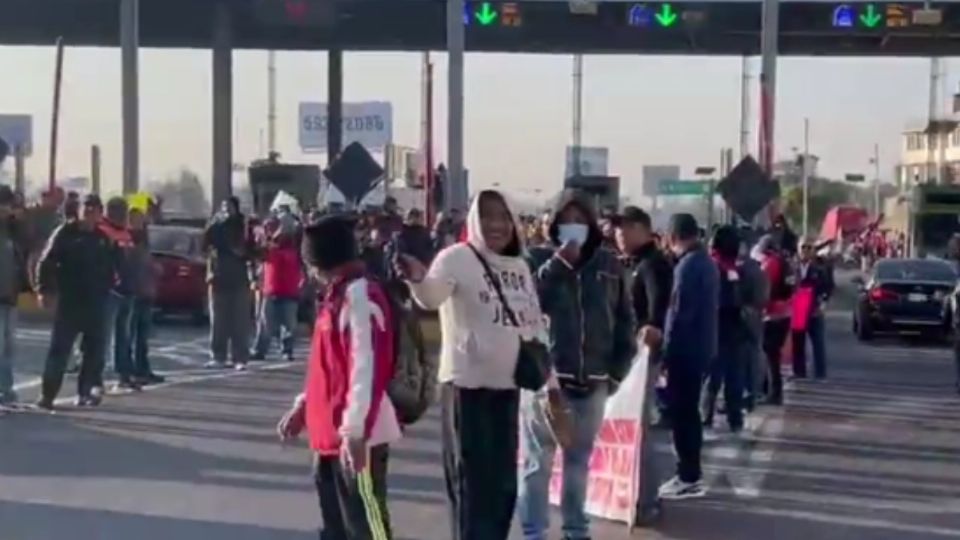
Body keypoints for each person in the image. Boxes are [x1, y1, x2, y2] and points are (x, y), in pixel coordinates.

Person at [395, 190, 545, 540]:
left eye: (503, 216)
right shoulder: (456, 258)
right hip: (468, 389)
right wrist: (417, 278)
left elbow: (533, 324)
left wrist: (548, 384)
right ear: (475, 220)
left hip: (508, 388)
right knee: (471, 489)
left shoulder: (520, 267)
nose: (496, 224)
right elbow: (431, 296)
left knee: (504, 487)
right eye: (488, 216)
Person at [520, 190, 636, 540]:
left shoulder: (609, 265)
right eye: (566, 220)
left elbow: (624, 321)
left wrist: (616, 374)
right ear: (555, 225)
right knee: (538, 464)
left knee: (578, 464)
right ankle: (534, 532)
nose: (574, 227)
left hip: (594, 382)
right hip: (548, 382)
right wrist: (559, 264)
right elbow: (526, 307)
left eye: (580, 220)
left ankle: (575, 530)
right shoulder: (538, 260)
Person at [277, 215, 400, 540]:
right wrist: (303, 406)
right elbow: (326, 366)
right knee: (337, 527)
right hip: (329, 434)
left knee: (367, 526)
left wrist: (355, 431)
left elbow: (366, 368)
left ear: (319, 264)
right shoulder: (334, 298)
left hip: (359, 437)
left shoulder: (361, 297)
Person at [612, 205, 673, 524]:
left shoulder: (653, 265)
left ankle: (648, 499)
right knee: (626, 429)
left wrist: (650, 333)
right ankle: (632, 493)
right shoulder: (633, 263)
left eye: (624, 228)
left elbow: (657, 313)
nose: (618, 235)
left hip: (643, 360)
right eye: (616, 229)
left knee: (640, 431)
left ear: (642, 229)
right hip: (628, 359)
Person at [35, 195, 118, 409]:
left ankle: (85, 392)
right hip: (69, 302)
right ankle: (48, 395)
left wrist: (114, 285)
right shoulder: (65, 233)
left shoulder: (102, 238)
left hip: (96, 302)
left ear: (100, 214)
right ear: (79, 210)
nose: (90, 213)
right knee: (59, 351)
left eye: (95, 209)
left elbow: (114, 267)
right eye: (86, 208)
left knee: (93, 352)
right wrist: (44, 290)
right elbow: (46, 263)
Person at [656, 213, 718, 500]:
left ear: (671, 237)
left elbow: (678, 314)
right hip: (702, 349)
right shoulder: (706, 263)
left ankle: (688, 475)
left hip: (685, 351)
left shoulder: (687, 268)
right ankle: (690, 473)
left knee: (683, 416)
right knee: (689, 413)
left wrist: (666, 355)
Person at [701, 226, 748, 436]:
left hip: (721, 329)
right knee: (726, 378)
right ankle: (730, 418)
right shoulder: (727, 268)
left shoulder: (717, 266)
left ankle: (709, 416)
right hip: (727, 329)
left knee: (717, 378)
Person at [203, 197, 254, 370]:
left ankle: (240, 357)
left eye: (229, 207)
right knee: (218, 322)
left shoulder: (243, 226)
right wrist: (213, 222)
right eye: (223, 207)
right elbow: (205, 243)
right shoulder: (216, 226)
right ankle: (218, 356)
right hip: (219, 278)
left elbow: (251, 249)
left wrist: (243, 250)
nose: (226, 210)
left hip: (239, 279)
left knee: (239, 322)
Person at [99, 197, 140, 391]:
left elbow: (131, 261)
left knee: (123, 335)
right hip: (110, 291)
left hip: (127, 290)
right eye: (122, 212)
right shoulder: (103, 232)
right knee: (102, 336)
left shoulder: (125, 233)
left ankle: (124, 373)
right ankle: (95, 376)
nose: (125, 216)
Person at [252, 211, 303, 362]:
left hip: (289, 290)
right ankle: (260, 350)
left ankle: (287, 350)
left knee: (289, 325)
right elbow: (258, 253)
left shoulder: (294, 246)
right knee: (265, 323)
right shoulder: (269, 245)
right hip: (271, 289)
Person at [751, 234, 793, 405]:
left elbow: (764, 291)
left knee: (770, 355)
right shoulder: (785, 263)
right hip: (785, 312)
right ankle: (772, 391)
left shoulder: (770, 264)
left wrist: (759, 308)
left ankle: (773, 393)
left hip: (773, 314)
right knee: (773, 355)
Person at [127, 208, 163, 385]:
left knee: (142, 336)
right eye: (135, 219)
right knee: (128, 334)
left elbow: (147, 262)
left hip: (146, 291)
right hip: (132, 292)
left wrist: (154, 269)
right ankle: (129, 371)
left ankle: (143, 369)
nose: (139, 222)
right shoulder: (127, 238)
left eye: (141, 219)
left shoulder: (144, 238)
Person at [791, 238, 834, 380]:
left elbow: (828, 287)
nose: (806, 251)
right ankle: (799, 372)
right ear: (798, 249)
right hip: (798, 306)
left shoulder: (820, 268)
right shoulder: (792, 266)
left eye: (809, 248)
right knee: (798, 342)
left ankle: (820, 374)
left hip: (814, 307)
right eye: (803, 247)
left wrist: (823, 304)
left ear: (814, 251)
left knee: (818, 342)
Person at [0, 186, 27, 407]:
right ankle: (4, 391)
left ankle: (7, 391)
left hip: (10, 296)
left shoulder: (12, 230)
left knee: (9, 347)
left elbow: (26, 249)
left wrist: (18, 222)